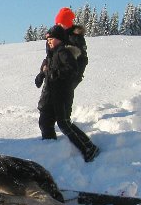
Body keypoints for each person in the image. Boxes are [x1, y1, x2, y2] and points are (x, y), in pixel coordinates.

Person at [35, 24, 100, 162]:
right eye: (47, 40)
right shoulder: (52, 54)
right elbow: (49, 71)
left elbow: (72, 69)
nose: (49, 41)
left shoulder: (63, 52)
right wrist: (42, 75)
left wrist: (54, 74)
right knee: (55, 122)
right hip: (54, 95)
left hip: (63, 94)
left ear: (59, 39)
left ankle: (88, 148)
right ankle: (85, 147)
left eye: (51, 39)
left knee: (64, 123)